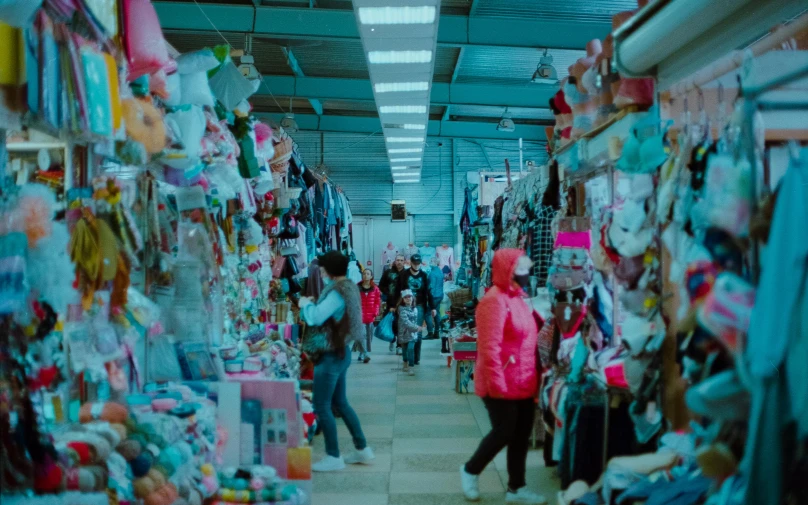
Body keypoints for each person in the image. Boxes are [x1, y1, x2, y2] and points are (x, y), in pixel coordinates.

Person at [460, 249, 546, 504]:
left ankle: (516, 488)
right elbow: (489, 348)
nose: (526, 273)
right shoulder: (493, 301)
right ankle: (470, 470)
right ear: (507, 270)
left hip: (524, 380)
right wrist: (497, 385)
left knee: (521, 434)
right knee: (504, 431)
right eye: (520, 269)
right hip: (501, 381)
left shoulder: (520, 298)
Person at [298, 251, 375, 472]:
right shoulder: (350, 286)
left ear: (328, 270)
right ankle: (362, 449)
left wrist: (305, 304)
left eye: (322, 269)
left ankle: (333, 456)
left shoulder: (337, 291)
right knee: (340, 402)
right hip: (342, 352)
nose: (320, 273)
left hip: (331, 354)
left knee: (322, 405)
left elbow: (316, 317)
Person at [395, 254, 435, 365]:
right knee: (405, 329)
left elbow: (429, 292)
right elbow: (397, 290)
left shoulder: (424, 275)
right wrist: (395, 305)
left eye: (418, 264)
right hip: (404, 305)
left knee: (417, 330)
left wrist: (433, 307)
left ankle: (416, 357)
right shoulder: (404, 275)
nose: (416, 266)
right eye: (414, 263)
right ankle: (406, 355)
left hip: (419, 305)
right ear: (411, 263)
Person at [379, 254, 406, 352]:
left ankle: (399, 345)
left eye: (401, 260)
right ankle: (392, 339)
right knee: (391, 323)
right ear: (395, 261)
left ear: (404, 262)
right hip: (390, 302)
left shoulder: (406, 273)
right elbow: (381, 285)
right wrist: (388, 293)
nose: (399, 262)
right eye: (398, 260)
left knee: (401, 324)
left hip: (403, 303)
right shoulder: (388, 272)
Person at [396, 290, 423, 376]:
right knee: (404, 350)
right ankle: (405, 362)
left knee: (410, 349)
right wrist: (417, 328)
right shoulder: (402, 310)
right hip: (404, 334)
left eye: (409, 297)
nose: (408, 299)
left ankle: (411, 367)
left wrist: (416, 328)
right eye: (405, 297)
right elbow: (406, 323)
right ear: (402, 299)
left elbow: (414, 321)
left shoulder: (415, 309)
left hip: (413, 334)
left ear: (412, 298)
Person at [357, 268, 381, 364]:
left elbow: (377, 302)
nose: (366, 275)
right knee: (361, 335)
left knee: (369, 336)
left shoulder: (375, 288)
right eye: (364, 273)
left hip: (370, 316)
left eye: (368, 274)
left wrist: (375, 313)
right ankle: (365, 353)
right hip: (360, 316)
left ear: (371, 276)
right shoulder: (357, 287)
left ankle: (362, 352)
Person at [426, 256, 445, 341]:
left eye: (431, 261)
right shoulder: (440, 271)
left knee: (427, 314)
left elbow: (432, 287)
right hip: (440, 295)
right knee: (436, 313)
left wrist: (428, 297)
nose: (430, 262)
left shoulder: (432, 273)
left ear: (435, 262)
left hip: (434, 296)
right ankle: (437, 332)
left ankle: (430, 332)